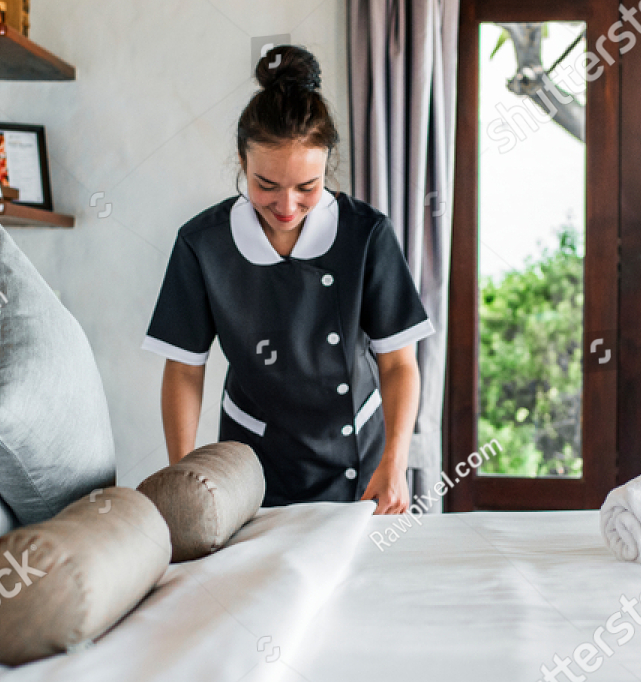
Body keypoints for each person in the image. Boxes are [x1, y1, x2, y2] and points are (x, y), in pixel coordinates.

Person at [142, 46, 432, 515]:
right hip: (247, 466)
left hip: (359, 465)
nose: (286, 206)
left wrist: (396, 463)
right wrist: (183, 478)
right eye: (267, 185)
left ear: (327, 167)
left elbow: (399, 364)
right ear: (241, 160)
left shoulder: (366, 236)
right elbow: (184, 368)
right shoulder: (204, 245)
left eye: (307, 187)